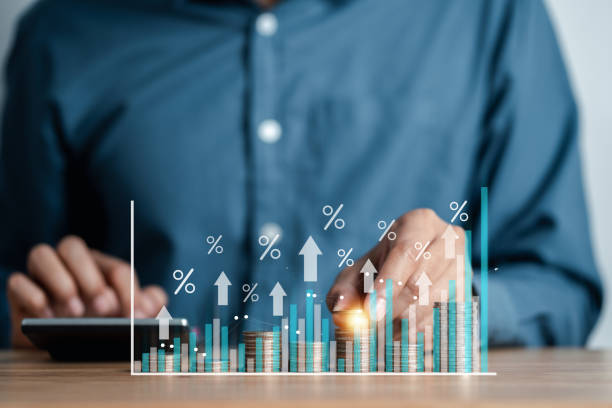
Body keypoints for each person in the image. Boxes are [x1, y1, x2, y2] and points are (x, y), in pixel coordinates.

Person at [0, 0, 602, 349]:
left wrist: (463, 302)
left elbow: (562, 287)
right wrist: (54, 312)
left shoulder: (492, 16)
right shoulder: (61, 35)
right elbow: (19, 273)